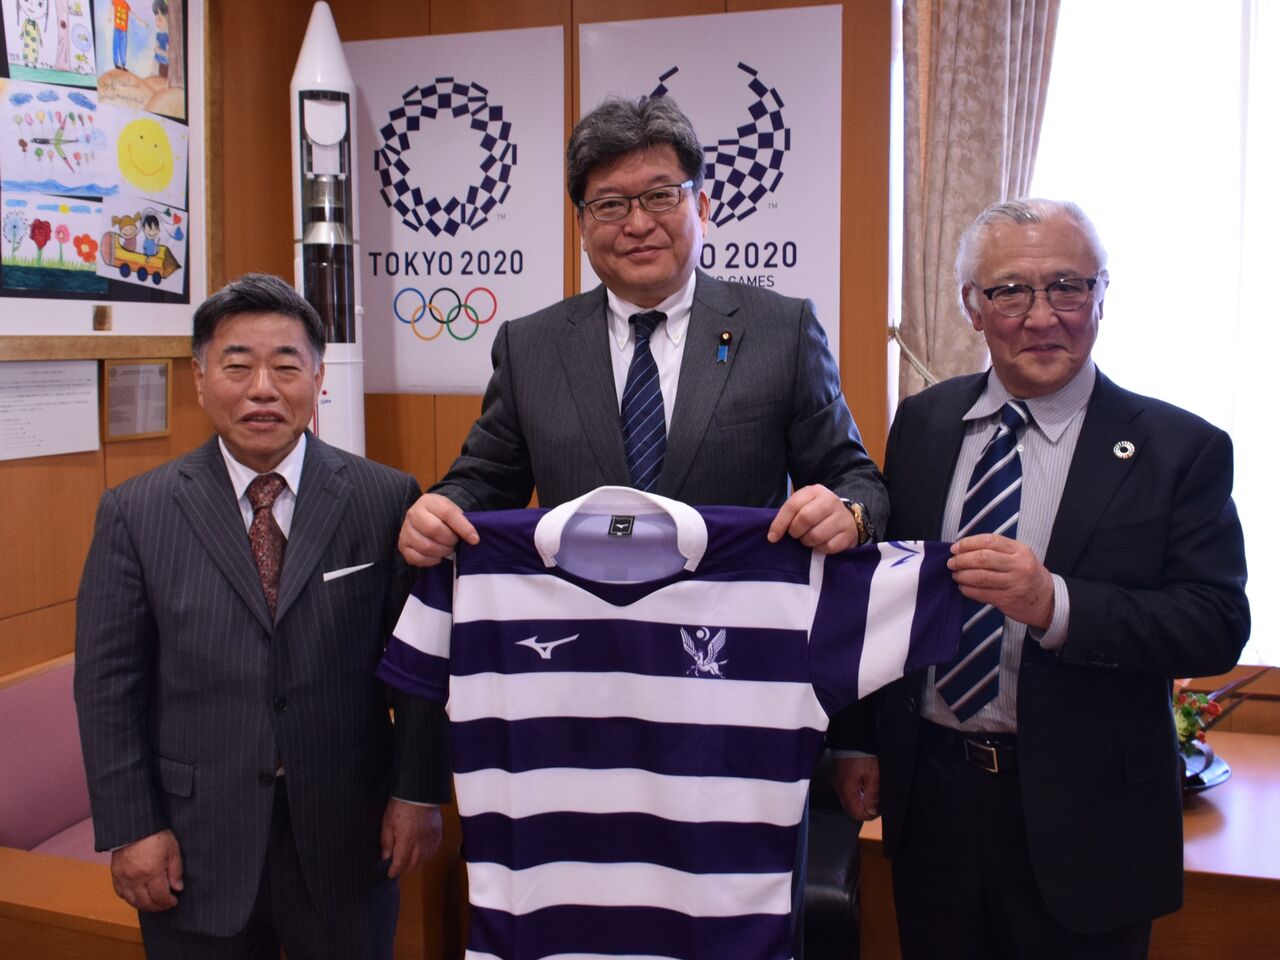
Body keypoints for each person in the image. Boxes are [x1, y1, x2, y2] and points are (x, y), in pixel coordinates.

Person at [396, 93, 888, 950]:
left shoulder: (780, 330)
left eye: (661, 195)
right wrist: (441, 509)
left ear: (703, 203)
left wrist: (846, 511)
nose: (637, 222)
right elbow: (486, 478)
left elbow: (857, 479)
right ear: (582, 224)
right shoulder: (532, 344)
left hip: (734, 704)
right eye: (609, 204)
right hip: (581, 704)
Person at [829, 198, 1250, 959]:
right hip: (935, 804)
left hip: (1090, 821)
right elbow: (882, 592)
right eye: (1011, 292)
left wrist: (1056, 603)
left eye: (1067, 286)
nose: (1043, 316)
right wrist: (858, 742)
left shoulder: (1179, 448)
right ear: (972, 307)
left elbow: (1215, 625)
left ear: (1101, 296)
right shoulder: (923, 423)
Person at [74, 274, 450, 960]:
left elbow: (420, 666)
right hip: (193, 839)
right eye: (237, 366)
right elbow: (108, 686)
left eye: (286, 366)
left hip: (347, 829)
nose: (262, 389)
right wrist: (131, 827)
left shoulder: (384, 497)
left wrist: (418, 792)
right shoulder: (136, 511)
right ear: (199, 378)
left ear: (318, 377)